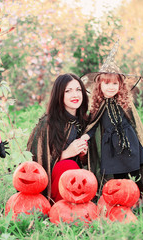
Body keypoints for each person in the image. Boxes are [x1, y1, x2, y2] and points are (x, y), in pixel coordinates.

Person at [80, 40, 143, 202]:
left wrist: (140, 144)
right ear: (99, 85)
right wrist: (86, 137)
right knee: (119, 176)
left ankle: (138, 199)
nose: (111, 87)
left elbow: (136, 125)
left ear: (120, 85)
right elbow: (92, 126)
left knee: (134, 173)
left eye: (115, 83)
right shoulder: (97, 106)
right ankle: (121, 200)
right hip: (111, 149)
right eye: (107, 83)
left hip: (131, 145)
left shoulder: (125, 103)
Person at [27, 73, 89, 204]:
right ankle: (62, 207)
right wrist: (67, 154)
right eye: (68, 91)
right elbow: (37, 160)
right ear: (59, 95)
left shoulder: (85, 122)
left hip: (78, 182)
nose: (75, 95)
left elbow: (89, 163)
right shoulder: (48, 123)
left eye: (78, 90)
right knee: (67, 165)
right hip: (53, 182)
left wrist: (83, 155)